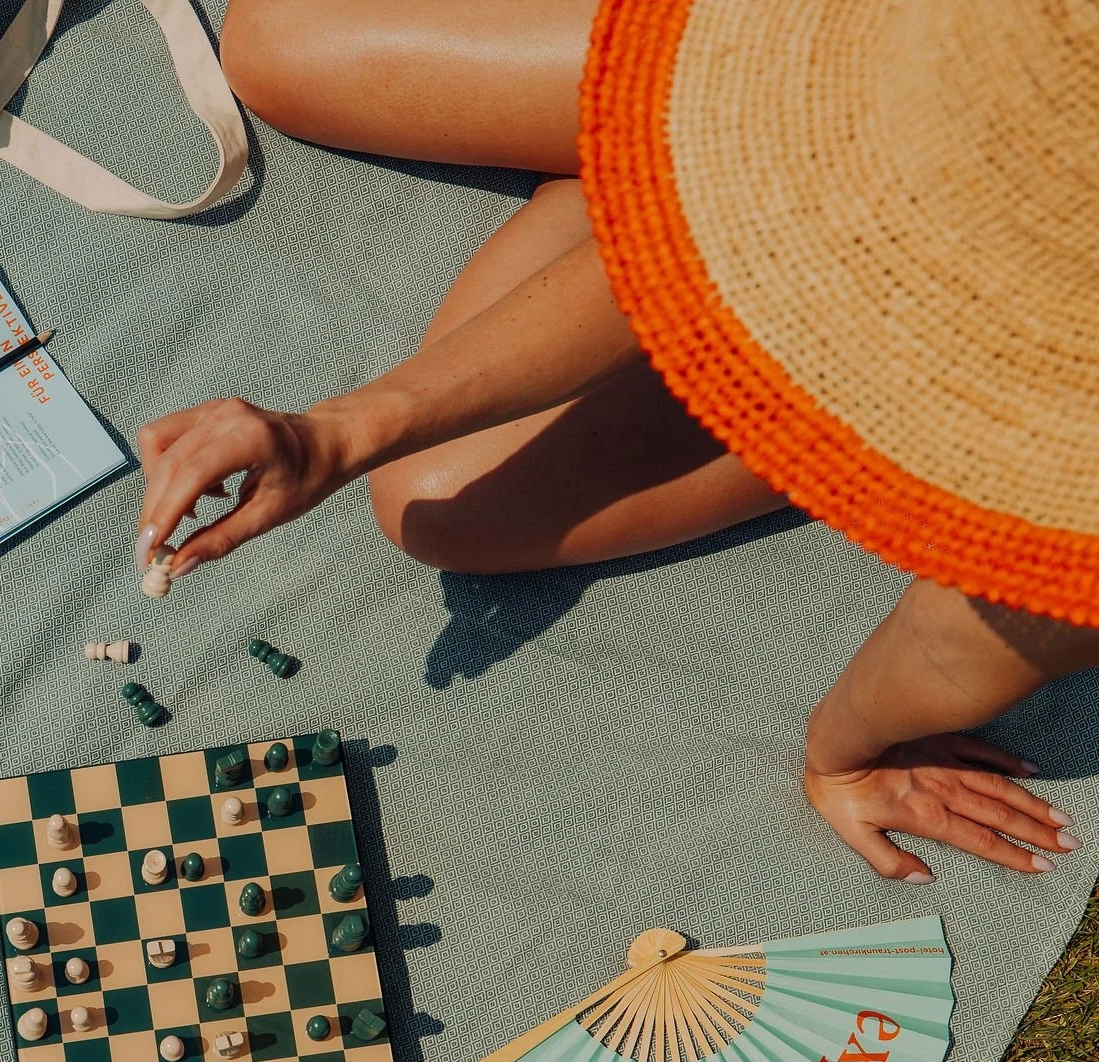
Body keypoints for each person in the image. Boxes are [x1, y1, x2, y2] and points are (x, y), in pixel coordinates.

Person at [133, 0, 1099, 882]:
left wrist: (845, 747)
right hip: (814, 83)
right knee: (273, 44)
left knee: (439, 494)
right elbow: (705, 244)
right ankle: (674, 164)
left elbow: (969, 635)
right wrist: (841, 762)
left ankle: (649, 172)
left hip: (843, 184)